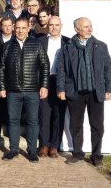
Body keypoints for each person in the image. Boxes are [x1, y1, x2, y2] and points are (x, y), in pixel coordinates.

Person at [57, 17, 111, 167]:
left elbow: (108, 68)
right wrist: (61, 89)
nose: (90, 29)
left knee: (97, 126)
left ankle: (96, 156)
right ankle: (77, 153)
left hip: (96, 92)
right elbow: (61, 69)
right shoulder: (67, 47)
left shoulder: (101, 46)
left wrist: (109, 89)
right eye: (86, 27)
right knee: (75, 125)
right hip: (75, 92)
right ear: (77, 29)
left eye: (90, 26)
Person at [0, 18, 50, 163]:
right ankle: (14, 149)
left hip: (32, 90)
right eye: (18, 28)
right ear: (14, 28)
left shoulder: (37, 44)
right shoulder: (7, 46)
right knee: (13, 120)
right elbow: (1, 68)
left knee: (33, 121)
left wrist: (44, 85)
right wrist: (2, 87)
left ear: (28, 28)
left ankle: (32, 151)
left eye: (23, 28)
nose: (20, 31)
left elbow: (45, 66)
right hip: (12, 91)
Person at [38, 16, 69, 158]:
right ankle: (44, 144)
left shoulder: (68, 42)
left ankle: (54, 146)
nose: (54, 27)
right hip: (45, 81)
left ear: (61, 26)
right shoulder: (40, 41)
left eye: (57, 25)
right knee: (44, 114)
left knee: (59, 114)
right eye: (51, 25)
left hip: (61, 82)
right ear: (47, 26)